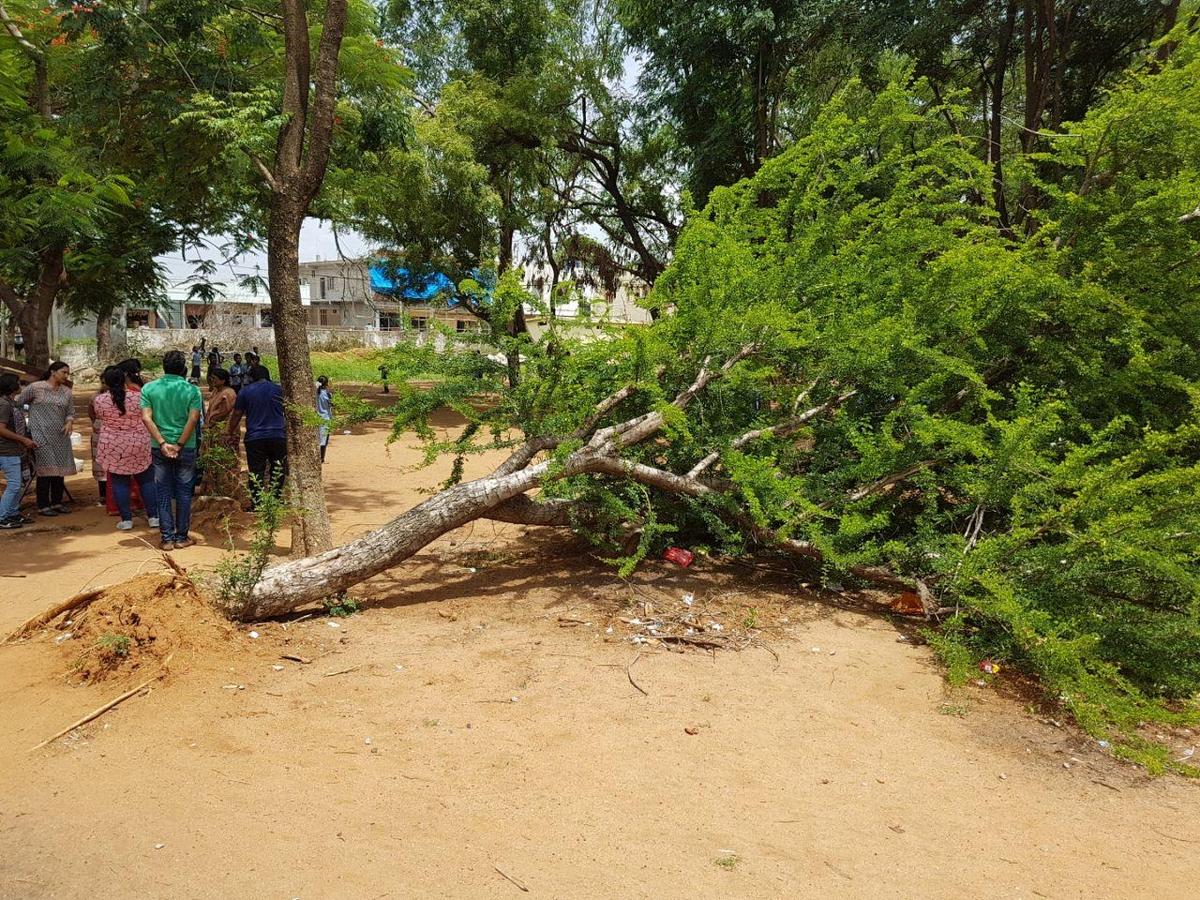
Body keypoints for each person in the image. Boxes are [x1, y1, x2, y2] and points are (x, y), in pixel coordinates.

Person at [140, 350, 202, 550]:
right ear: (183, 368)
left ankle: (167, 539)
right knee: (184, 493)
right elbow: (193, 419)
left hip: (159, 448)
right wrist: (180, 444)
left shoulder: (149, 388)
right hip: (186, 447)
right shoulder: (192, 390)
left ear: (163, 367)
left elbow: (146, 417)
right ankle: (182, 537)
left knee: (163, 492)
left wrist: (162, 442)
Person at [95, 367, 158, 531]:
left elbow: (100, 417)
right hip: (139, 441)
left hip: (113, 443)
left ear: (106, 382)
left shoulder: (100, 400)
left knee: (119, 482)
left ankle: (126, 519)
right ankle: (153, 517)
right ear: (124, 380)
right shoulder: (139, 396)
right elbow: (148, 415)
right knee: (146, 480)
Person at [16, 361, 75, 517]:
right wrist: (24, 422)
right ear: (53, 371)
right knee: (45, 470)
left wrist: (69, 421)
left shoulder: (67, 392)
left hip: (61, 436)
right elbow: (18, 403)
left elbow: (70, 412)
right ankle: (43, 504)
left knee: (59, 470)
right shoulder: (36, 388)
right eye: (64, 372)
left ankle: (57, 502)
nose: (66, 376)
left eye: (68, 373)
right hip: (40, 435)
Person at [228, 364, 287, 508]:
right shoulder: (279, 390)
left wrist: (229, 431)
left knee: (256, 470)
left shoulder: (245, 392)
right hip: (278, 435)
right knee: (277, 469)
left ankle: (257, 503)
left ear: (251, 377)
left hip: (255, 437)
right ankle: (275, 500)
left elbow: (237, 414)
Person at [0, 373, 37, 529]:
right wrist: (23, 440)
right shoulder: (5, 405)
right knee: (14, 484)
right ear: (11, 386)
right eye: (18, 382)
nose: (20, 385)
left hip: (16, 449)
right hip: (7, 450)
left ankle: (13, 513)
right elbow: (1, 429)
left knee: (19, 484)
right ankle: (2, 517)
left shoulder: (11, 402)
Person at [201, 367, 240, 496]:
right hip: (214, 432)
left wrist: (209, 424)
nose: (212, 381)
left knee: (227, 461)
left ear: (223, 380)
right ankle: (214, 488)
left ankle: (228, 489)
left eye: (215, 379)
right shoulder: (216, 392)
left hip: (225, 431)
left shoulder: (228, 393)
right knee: (215, 460)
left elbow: (221, 413)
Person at [88, 367, 115, 505]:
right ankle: (103, 496)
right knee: (100, 465)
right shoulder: (95, 397)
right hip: (99, 434)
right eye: (102, 382)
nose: (104, 385)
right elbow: (91, 413)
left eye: (107, 382)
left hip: (113, 434)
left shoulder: (118, 397)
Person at [316, 375, 333, 463]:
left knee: (317, 439)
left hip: (315, 418)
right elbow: (333, 404)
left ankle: (317, 458)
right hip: (325, 418)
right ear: (326, 384)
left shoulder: (314, 393)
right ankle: (321, 459)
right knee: (324, 440)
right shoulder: (327, 394)